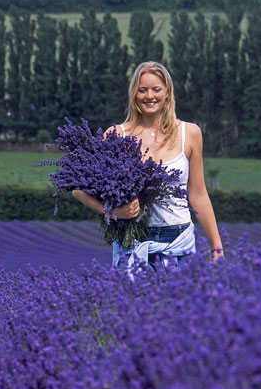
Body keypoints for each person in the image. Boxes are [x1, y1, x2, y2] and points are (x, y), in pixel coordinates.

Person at [72, 61, 224, 268]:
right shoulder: (116, 135)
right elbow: (79, 189)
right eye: (142, 90)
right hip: (134, 243)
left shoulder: (190, 134)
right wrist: (112, 212)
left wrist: (217, 248)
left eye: (156, 90)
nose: (149, 96)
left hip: (180, 241)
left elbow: (198, 194)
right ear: (134, 94)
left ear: (168, 92)